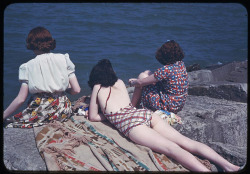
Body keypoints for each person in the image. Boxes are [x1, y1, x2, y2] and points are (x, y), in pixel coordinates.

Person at [86, 59, 240, 172]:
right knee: (186, 142)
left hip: (132, 125)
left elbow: (93, 116)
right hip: (144, 114)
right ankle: (228, 166)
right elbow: (130, 105)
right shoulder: (119, 82)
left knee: (171, 148)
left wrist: (111, 115)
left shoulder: (97, 88)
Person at [3, 26, 81, 128]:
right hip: (64, 110)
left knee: (11, 123)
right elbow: (76, 90)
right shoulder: (64, 58)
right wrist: (64, 89)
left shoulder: (27, 66)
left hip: (42, 110)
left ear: (31, 44)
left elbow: (21, 99)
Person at [129, 40, 188, 113]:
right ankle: (135, 107)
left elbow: (140, 82)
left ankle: (132, 107)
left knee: (142, 76)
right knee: (147, 72)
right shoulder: (181, 65)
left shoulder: (166, 69)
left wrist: (132, 82)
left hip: (168, 106)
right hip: (178, 104)